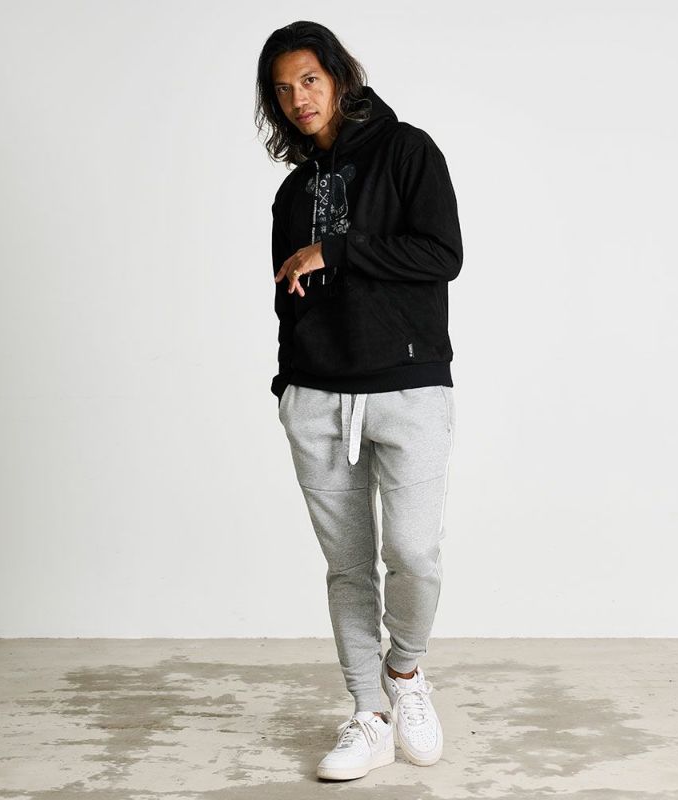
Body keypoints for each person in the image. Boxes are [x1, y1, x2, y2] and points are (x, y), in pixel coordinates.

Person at [255, 20, 462, 781]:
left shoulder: (408, 152)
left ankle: (405, 674)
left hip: (407, 385)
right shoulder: (293, 192)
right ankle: (368, 713)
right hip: (316, 395)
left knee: (412, 554)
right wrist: (289, 384)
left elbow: (442, 254)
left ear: (339, 76)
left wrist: (336, 249)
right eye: (282, 90)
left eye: (309, 79)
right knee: (346, 569)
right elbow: (287, 295)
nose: (298, 100)